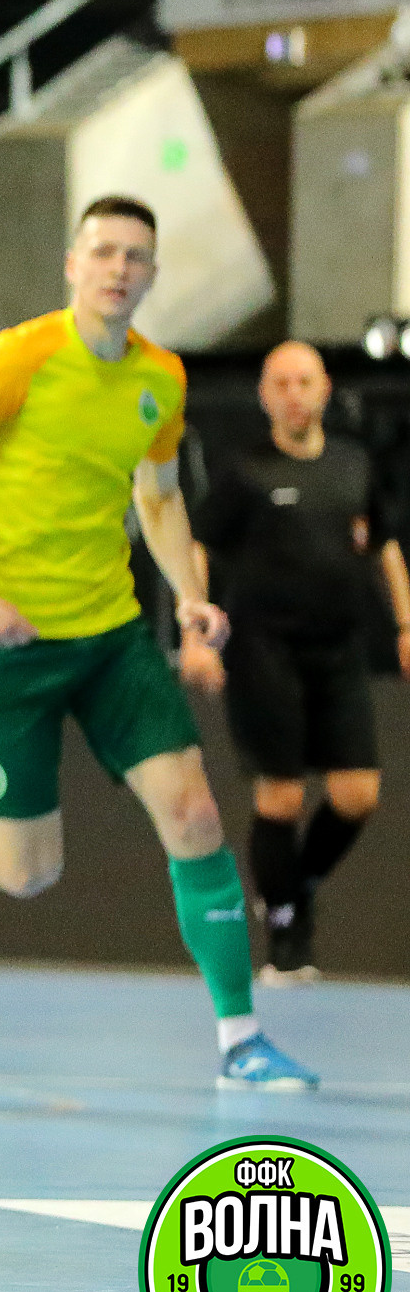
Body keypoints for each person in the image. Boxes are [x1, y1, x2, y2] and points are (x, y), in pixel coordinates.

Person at [0, 196, 317, 1089]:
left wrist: (190, 596)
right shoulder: (21, 358)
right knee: (24, 873)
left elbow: (158, 493)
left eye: (135, 256)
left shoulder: (160, 377)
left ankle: (240, 1038)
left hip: (111, 636)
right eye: (103, 251)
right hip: (8, 645)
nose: (119, 267)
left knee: (195, 814)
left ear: (152, 275)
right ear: (73, 265)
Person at [181, 340, 410, 984]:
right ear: (263, 396)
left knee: (357, 794)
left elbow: (385, 546)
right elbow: (199, 547)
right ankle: (286, 935)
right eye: (280, 384)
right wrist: (196, 634)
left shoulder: (353, 464)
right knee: (281, 798)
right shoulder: (244, 472)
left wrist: (405, 624)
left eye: (303, 382)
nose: (293, 395)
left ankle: (295, 884)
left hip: (339, 650)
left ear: (325, 389)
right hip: (264, 652)